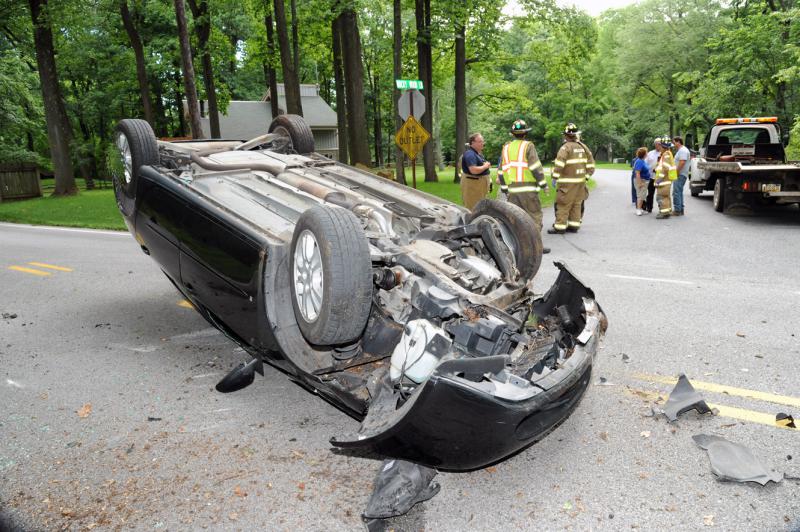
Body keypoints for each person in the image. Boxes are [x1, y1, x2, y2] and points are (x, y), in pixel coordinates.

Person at [497, 119, 550, 254]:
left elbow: (502, 170)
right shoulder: (528, 146)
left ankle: (519, 246)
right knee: (534, 217)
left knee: (516, 218)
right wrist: (543, 184)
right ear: (525, 133)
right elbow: (535, 167)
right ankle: (536, 247)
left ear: (513, 134)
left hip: (512, 190)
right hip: (528, 190)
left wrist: (504, 188)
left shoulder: (506, 148)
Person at [548, 123, 595, 234]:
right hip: (580, 183)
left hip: (567, 184)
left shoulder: (565, 147)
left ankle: (560, 227)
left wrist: (555, 177)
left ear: (566, 135)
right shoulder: (583, 147)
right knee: (576, 204)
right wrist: (586, 177)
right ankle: (574, 226)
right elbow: (591, 164)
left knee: (563, 204)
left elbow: (559, 163)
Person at [460, 133, 491, 210]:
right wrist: (485, 166)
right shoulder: (470, 154)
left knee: (480, 207)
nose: (482, 143)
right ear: (473, 143)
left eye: (483, 141)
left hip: (478, 186)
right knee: (473, 208)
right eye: (480, 141)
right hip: (473, 187)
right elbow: (473, 170)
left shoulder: (476, 153)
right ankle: (472, 221)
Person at [654, 136, 676, 218]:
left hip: (663, 181)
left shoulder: (666, 154)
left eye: (660, 146)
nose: (659, 148)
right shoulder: (667, 153)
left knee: (661, 197)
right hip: (666, 180)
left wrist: (659, 179)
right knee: (666, 197)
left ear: (663, 146)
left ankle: (663, 213)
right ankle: (667, 212)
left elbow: (665, 168)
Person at [672, 136, 690, 216]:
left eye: (674, 142)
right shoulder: (682, 150)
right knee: (679, 192)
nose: (674, 144)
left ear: (678, 142)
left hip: (680, 174)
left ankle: (677, 210)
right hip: (681, 174)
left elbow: (682, 162)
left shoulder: (682, 150)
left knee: (676, 192)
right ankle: (680, 209)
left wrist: (677, 172)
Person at [643, 138, 661, 213]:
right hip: (651, 176)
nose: (657, 145)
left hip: (660, 177)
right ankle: (649, 207)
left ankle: (662, 208)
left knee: (661, 194)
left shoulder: (664, 153)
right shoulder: (650, 153)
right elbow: (645, 163)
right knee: (650, 193)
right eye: (656, 144)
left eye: (659, 144)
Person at [632, 147, 651, 215]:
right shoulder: (639, 161)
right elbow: (637, 173)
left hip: (644, 180)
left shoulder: (643, 160)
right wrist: (639, 183)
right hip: (641, 181)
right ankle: (638, 209)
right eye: (646, 152)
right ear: (644, 154)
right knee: (640, 196)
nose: (647, 153)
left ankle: (640, 209)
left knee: (642, 195)